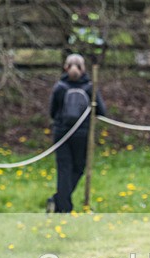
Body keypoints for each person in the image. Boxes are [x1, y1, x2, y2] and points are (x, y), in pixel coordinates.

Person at [47, 53, 106, 213]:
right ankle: (59, 202)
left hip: (61, 133)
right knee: (78, 168)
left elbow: (52, 112)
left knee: (64, 169)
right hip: (82, 134)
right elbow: (102, 111)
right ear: (84, 68)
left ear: (65, 68)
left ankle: (62, 206)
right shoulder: (89, 87)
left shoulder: (59, 87)